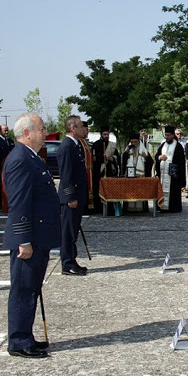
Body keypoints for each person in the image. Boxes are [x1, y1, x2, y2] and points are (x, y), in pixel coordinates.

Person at [3, 113, 59, 358]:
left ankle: (26, 335)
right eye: (41, 128)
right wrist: (23, 240)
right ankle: (18, 340)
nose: (45, 133)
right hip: (29, 239)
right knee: (24, 289)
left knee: (32, 288)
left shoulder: (32, 157)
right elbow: (19, 204)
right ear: (27, 133)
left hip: (38, 236)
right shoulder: (20, 159)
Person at [57, 115, 88, 276]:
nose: (84, 129)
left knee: (73, 231)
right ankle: (67, 263)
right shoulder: (67, 147)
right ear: (72, 128)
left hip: (78, 195)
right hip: (71, 198)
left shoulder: (76, 145)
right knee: (67, 232)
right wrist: (70, 197)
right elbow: (66, 175)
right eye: (81, 126)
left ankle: (72, 260)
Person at [155, 126, 186, 212]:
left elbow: (181, 162)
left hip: (173, 175)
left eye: (168, 135)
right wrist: (160, 157)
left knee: (173, 192)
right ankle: (161, 206)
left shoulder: (178, 146)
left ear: (173, 135)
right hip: (162, 175)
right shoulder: (163, 145)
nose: (167, 137)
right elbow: (156, 156)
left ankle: (173, 208)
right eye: (166, 135)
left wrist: (177, 172)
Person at [91, 127, 119, 213]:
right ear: (101, 135)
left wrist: (113, 158)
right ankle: (99, 208)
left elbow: (117, 157)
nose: (106, 136)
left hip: (110, 171)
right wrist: (104, 158)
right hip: (99, 171)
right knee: (98, 190)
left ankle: (110, 209)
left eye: (107, 134)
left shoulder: (112, 145)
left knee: (110, 190)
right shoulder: (96, 144)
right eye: (104, 134)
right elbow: (94, 159)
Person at [0, 124, 15, 212]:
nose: (6, 132)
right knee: (0, 186)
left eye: (7, 130)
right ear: (0, 131)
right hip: (0, 168)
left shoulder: (10, 141)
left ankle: (9, 204)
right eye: (4, 130)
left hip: (10, 168)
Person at [78, 121, 94, 212]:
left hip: (89, 170)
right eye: (85, 130)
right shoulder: (79, 142)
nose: (86, 132)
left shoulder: (84, 142)